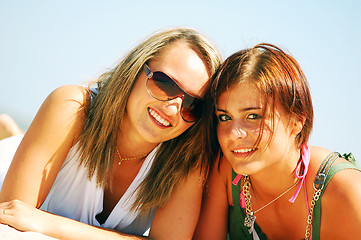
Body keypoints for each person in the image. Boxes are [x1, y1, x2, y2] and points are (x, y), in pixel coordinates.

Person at [0, 27, 221, 239]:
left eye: (194, 105)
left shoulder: (185, 162)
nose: (173, 109)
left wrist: (52, 223)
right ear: (135, 69)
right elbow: (12, 217)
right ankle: (11, 135)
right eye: (165, 84)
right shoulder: (72, 106)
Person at [193, 43, 361, 240]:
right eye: (224, 118)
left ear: (297, 121)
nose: (233, 133)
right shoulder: (225, 171)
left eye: (253, 116)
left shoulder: (347, 192)